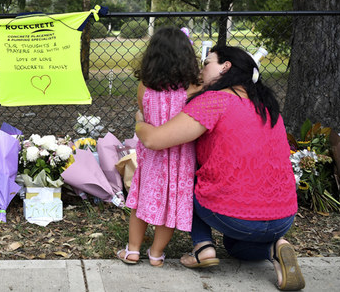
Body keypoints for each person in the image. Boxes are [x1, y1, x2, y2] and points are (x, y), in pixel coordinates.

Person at [135, 45, 305, 290]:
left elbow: (155, 140)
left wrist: (140, 123)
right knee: (237, 247)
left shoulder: (213, 101)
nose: (201, 69)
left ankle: (202, 246)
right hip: (283, 216)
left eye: (207, 63)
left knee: (185, 175)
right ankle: (274, 247)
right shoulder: (267, 106)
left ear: (226, 67)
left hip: (234, 215)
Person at [117, 27, 200, 266]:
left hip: (152, 156)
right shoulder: (192, 88)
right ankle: (156, 254)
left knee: (141, 202)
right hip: (181, 158)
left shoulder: (145, 85)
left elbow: (143, 113)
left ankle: (133, 250)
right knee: (169, 207)